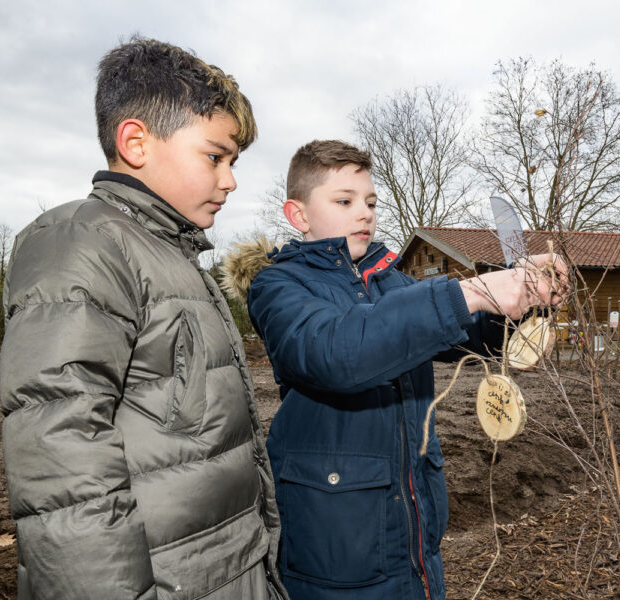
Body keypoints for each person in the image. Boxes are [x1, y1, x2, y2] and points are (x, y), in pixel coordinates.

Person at [0, 38, 287, 599]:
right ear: (136, 142)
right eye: (215, 156)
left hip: (224, 571)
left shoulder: (174, 256)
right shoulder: (82, 243)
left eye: (233, 162)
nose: (230, 180)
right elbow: (64, 465)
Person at [225, 140, 569, 600]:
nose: (364, 213)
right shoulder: (278, 285)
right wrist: (469, 291)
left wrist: (522, 301)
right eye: (344, 202)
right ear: (298, 215)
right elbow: (337, 353)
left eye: (370, 202)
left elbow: (467, 336)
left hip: (412, 522)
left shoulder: (392, 280)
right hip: (336, 540)